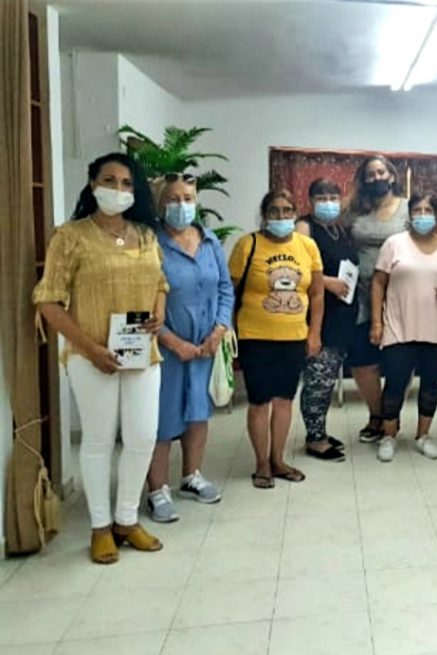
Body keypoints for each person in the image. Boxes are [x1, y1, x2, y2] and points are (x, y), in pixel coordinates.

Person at [34, 153, 167, 564]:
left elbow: (160, 282)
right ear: (93, 185)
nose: (118, 190)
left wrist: (159, 313)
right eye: (110, 181)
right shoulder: (70, 236)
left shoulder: (145, 235)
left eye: (127, 183)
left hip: (141, 353)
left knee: (143, 436)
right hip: (90, 354)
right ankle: (100, 527)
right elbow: (48, 301)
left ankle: (127, 519)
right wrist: (90, 349)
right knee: (98, 439)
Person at [146, 173, 232, 523]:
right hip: (165, 349)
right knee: (162, 419)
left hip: (205, 348)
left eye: (188, 198)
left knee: (199, 412)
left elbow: (225, 288)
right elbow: (143, 300)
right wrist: (174, 342)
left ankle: (191, 476)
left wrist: (219, 330)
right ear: (160, 203)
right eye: (173, 198)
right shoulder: (150, 244)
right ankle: (157, 489)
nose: (182, 205)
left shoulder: (210, 242)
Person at [229, 190, 324, 489]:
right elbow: (229, 292)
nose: (281, 217)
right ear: (264, 214)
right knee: (259, 402)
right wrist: (228, 332)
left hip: (294, 338)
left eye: (287, 211)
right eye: (274, 211)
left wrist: (314, 333)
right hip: (255, 337)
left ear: (295, 213)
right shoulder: (248, 245)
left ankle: (278, 460)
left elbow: (317, 294)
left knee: (284, 400)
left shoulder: (307, 246)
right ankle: (261, 464)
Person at [370, 193, 437, 462]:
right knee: (395, 382)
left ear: (436, 215)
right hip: (399, 325)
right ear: (409, 214)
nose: (423, 215)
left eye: (428, 210)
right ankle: (389, 436)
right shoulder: (394, 244)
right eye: (417, 210)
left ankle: (423, 436)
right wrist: (377, 322)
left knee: (431, 384)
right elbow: (378, 282)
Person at [348, 155, 409, 444]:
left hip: (400, 294)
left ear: (392, 176)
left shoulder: (408, 208)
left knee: (399, 362)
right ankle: (377, 414)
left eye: (381, 172)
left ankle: (390, 417)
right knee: (362, 361)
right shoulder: (355, 209)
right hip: (361, 294)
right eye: (370, 175)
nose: (376, 178)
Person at [297, 178, 358, 461]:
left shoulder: (338, 229)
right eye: (321, 197)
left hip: (342, 315)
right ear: (310, 200)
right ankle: (315, 439)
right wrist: (327, 282)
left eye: (333, 196)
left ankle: (318, 430)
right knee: (318, 380)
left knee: (327, 378)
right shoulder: (305, 227)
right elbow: (295, 269)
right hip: (318, 316)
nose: (329, 202)